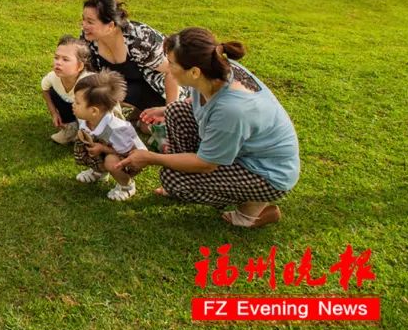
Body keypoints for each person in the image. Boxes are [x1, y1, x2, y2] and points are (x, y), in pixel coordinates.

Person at [115, 28, 300, 227]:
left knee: (174, 180)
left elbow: (207, 164)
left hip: (265, 173)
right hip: (242, 151)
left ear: (194, 72)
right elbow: (198, 98)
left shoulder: (232, 110)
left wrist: (151, 158)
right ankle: (188, 176)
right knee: (175, 110)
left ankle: (255, 209)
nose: (167, 68)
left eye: (172, 64)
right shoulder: (216, 70)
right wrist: (164, 109)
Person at [80, 0, 180, 124]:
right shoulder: (89, 38)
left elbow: (173, 70)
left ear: (110, 25)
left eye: (90, 22)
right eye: (83, 20)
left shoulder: (140, 40)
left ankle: (151, 116)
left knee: (149, 127)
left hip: (161, 90)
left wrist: (169, 111)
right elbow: (88, 72)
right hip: (129, 87)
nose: (84, 25)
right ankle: (134, 113)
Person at [72, 70, 147, 201]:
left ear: (94, 111)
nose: (73, 105)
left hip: (129, 158)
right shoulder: (86, 117)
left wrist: (102, 149)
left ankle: (127, 186)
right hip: (104, 147)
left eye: (77, 103)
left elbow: (127, 154)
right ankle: (99, 172)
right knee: (89, 147)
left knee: (111, 161)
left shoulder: (116, 129)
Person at [40, 36, 95, 145]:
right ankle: (71, 128)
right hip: (73, 107)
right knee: (52, 90)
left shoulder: (88, 83)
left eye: (65, 59)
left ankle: (90, 135)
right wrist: (54, 113)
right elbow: (44, 90)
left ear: (79, 66)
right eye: (56, 57)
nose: (58, 62)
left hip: (92, 114)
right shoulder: (52, 77)